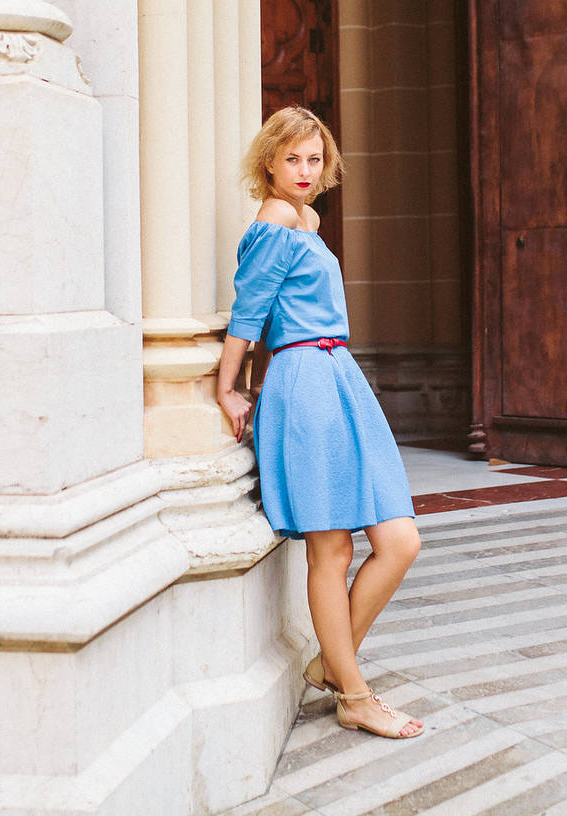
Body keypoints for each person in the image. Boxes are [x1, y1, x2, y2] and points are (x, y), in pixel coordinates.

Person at [216, 107, 425, 740]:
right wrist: (227, 387)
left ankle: (331, 667)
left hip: (338, 377)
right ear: (269, 164)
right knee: (331, 549)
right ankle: (355, 694)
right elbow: (248, 312)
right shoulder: (277, 219)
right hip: (304, 380)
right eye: (292, 160)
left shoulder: (306, 218)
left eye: (314, 159)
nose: (305, 172)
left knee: (399, 541)